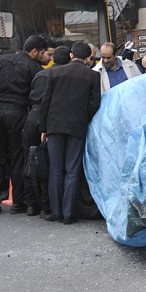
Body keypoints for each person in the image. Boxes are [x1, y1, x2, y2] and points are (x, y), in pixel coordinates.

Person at [0, 35, 50, 215]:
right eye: (43, 52)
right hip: (18, 113)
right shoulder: (34, 68)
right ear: (33, 51)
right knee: (18, 158)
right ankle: (18, 202)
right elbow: (36, 96)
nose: (46, 57)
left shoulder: (0, 60)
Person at [39, 42, 101, 224]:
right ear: (88, 57)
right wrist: (83, 118)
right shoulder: (93, 76)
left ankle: (56, 212)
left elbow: (45, 102)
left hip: (55, 125)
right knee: (72, 171)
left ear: (71, 55)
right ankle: (68, 214)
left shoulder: (55, 72)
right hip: (77, 127)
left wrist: (44, 128)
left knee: (55, 170)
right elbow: (94, 104)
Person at [22, 45, 71, 217]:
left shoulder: (40, 74)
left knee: (30, 160)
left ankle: (31, 204)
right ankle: (45, 205)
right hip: (49, 119)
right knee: (48, 163)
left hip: (32, 117)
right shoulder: (62, 76)